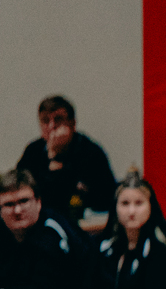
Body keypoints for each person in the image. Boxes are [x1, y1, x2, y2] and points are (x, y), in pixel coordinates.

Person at [16, 96, 117, 228]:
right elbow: (21, 190)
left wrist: (59, 163)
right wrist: (52, 157)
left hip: (83, 224)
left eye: (58, 119)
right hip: (40, 223)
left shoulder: (90, 151)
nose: (52, 126)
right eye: (45, 121)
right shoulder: (33, 151)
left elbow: (107, 197)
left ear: (72, 123)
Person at [0, 168, 93, 289]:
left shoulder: (52, 233)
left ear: (38, 202)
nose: (17, 210)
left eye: (24, 201)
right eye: (9, 204)